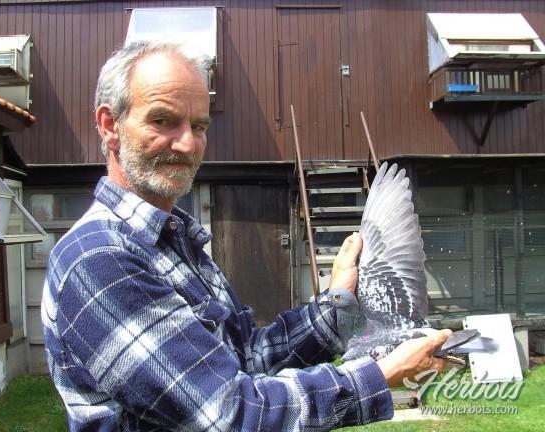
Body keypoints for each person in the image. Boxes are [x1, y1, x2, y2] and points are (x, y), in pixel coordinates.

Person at [42, 40, 451, 431]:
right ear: (110, 124)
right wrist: (379, 375)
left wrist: (338, 300)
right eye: (163, 120)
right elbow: (229, 416)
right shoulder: (99, 258)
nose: (187, 144)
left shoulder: (176, 242)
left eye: (198, 125)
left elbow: (249, 357)